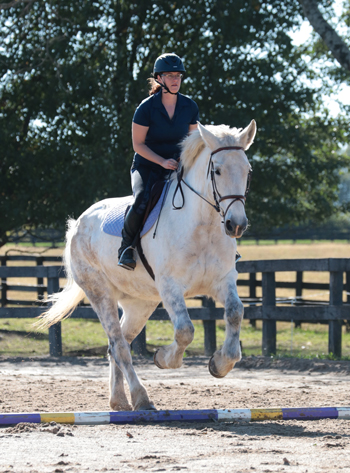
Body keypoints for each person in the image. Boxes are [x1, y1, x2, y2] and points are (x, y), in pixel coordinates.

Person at [118, 53, 199, 271]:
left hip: (178, 165)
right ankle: (126, 247)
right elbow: (138, 145)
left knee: (206, 193)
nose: (175, 80)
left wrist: (182, 160)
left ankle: (224, 247)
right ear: (159, 78)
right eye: (170, 75)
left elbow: (193, 142)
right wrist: (162, 161)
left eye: (178, 76)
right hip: (147, 165)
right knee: (142, 198)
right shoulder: (146, 108)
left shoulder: (190, 107)